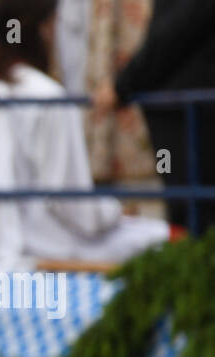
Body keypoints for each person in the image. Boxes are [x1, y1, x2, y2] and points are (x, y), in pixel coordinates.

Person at [0, 0, 172, 270]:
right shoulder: (45, 97)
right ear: (46, 30)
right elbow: (76, 209)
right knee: (162, 238)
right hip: (37, 254)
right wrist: (114, 212)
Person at [94, 0, 215, 237]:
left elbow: (178, 30)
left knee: (194, 218)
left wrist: (123, 85)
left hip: (190, 110)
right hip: (182, 106)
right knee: (191, 215)